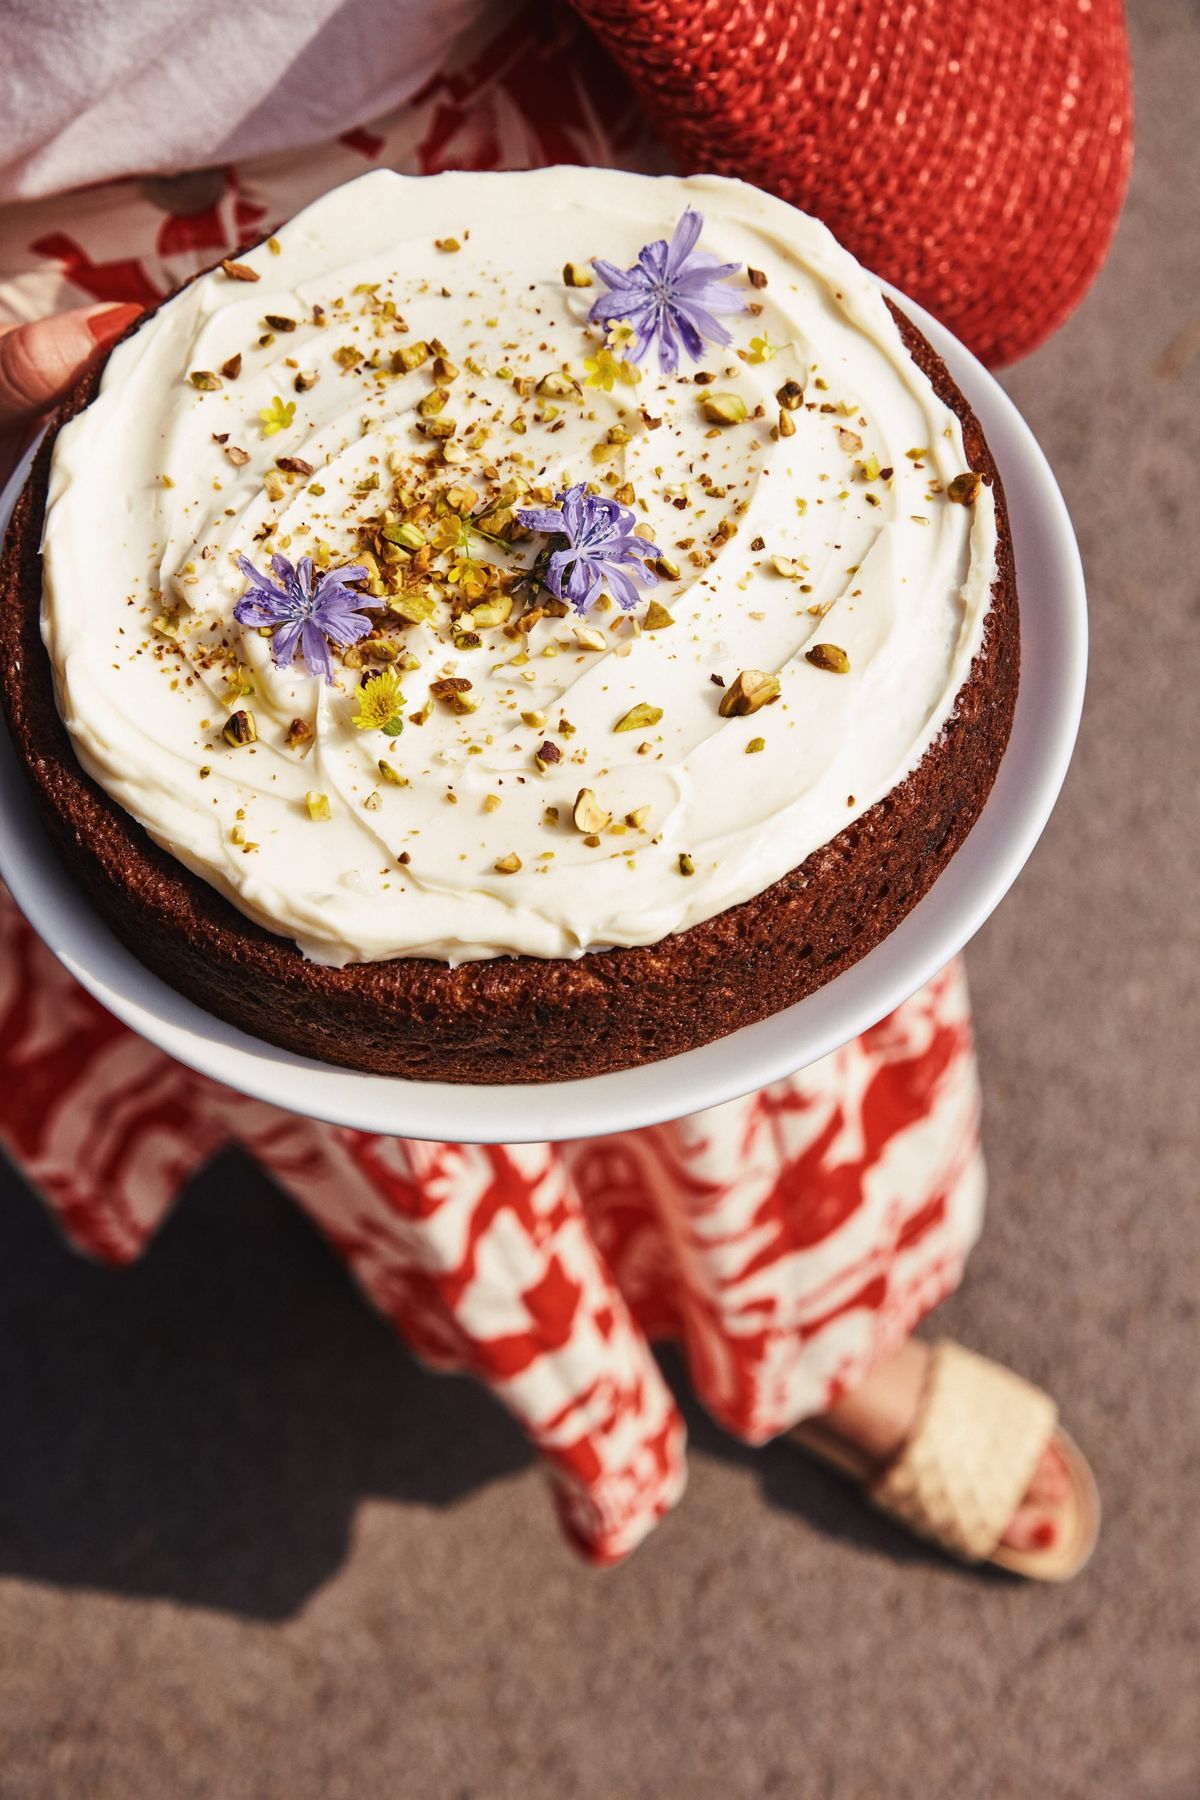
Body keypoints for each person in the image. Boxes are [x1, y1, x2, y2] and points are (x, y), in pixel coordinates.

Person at [0, 0, 1129, 1576]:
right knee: (370, 1077)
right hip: (78, 363)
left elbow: (1018, 190)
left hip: (555, 225)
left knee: (762, 1021)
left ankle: (814, 1340)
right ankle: (539, 1308)